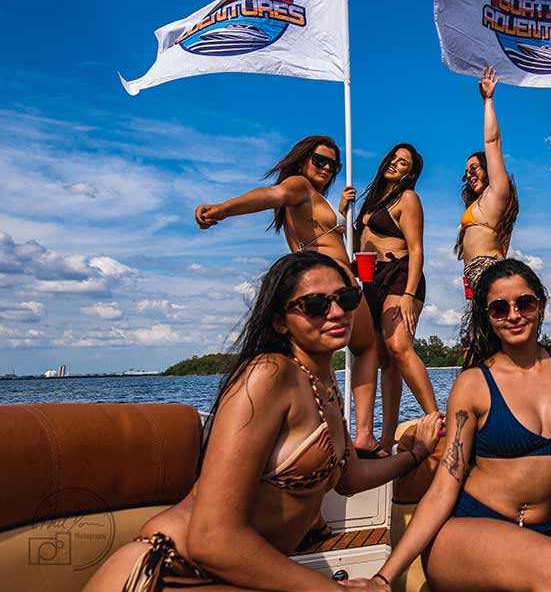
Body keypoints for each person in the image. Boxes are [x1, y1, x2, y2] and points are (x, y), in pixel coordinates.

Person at [85, 251, 443, 591]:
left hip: (235, 576)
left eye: (346, 299)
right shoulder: (269, 375)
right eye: (315, 305)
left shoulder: (323, 381)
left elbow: (350, 478)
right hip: (169, 570)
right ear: (279, 321)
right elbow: (211, 538)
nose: (336, 312)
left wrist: (414, 454)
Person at [342, 259, 551, 591]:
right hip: (468, 531)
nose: (513, 315)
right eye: (499, 308)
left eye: (524, 303)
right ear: (488, 316)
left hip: (537, 536)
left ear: (540, 304)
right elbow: (444, 485)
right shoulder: (474, 384)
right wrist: (384, 577)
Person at [193, 135, 387, 459]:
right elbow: (272, 194)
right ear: (302, 161)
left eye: (332, 164)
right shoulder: (298, 186)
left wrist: (339, 212)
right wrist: (223, 210)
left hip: (314, 280)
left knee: (312, 359)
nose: (326, 168)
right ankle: (364, 435)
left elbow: (311, 228)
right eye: (319, 160)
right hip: (335, 280)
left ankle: (303, 428)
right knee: (367, 347)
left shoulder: (309, 201)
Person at [354, 143, 438, 451]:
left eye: (403, 163)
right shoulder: (372, 200)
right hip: (370, 282)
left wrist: (408, 293)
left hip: (400, 275)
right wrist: (342, 210)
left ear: (410, 172)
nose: (394, 164)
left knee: (399, 346)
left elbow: (416, 249)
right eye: (392, 158)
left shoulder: (408, 198)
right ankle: (386, 439)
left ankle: (435, 417)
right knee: (383, 360)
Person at [455, 66, 519, 296]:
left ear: (487, 168)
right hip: (476, 275)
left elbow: (492, 142)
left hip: (488, 270)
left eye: (474, 168)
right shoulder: (478, 202)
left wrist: (488, 101)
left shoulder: (497, 193)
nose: (470, 174)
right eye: (466, 172)